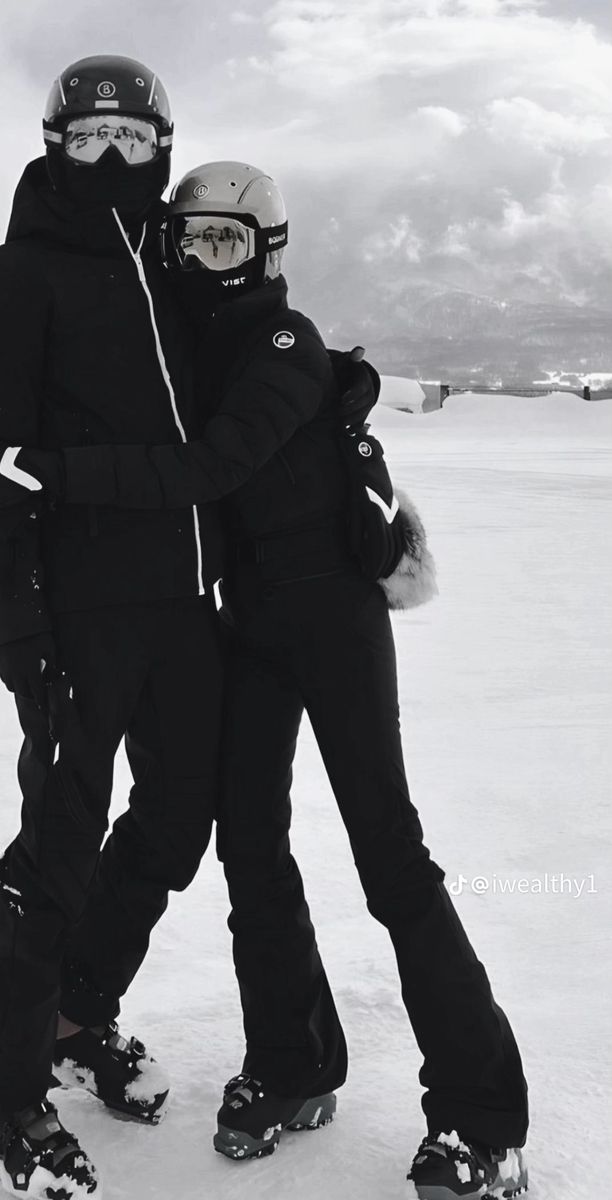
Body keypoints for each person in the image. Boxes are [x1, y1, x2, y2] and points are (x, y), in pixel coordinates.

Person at [10, 162, 531, 1199]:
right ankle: (291, 1067)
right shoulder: (185, 343)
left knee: (391, 857)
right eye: (191, 239)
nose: (206, 259)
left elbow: (209, 468)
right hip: (245, 624)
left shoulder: (285, 344)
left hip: (332, 622)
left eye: (228, 243)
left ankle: (484, 1117)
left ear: (268, 253)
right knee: (250, 849)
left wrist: (54, 469)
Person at [0, 55, 229, 1200]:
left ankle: (77, 1013)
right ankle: (9, 1086)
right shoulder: (24, 274)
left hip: (186, 610)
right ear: (53, 145)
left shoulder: (171, 267)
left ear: (163, 148)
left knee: (178, 816)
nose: (109, 160)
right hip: (75, 617)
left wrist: (336, 380)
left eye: (130, 140)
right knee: (57, 847)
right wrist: (20, 630)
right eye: (86, 139)